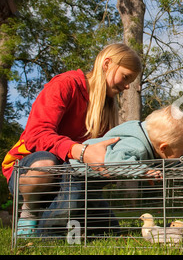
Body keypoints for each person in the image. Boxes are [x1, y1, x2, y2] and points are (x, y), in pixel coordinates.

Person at [2, 43, 142, 235]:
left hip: (70, 176)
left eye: (130, 81)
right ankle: (30, 211)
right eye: (125, 77)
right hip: (30, 167)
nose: (127, 86)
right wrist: (81, 152)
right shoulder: (65, 84)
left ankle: (65, 216)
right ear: (107, 64)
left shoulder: (107, 108)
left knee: (107, 231)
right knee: (45, 165)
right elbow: (36, 134)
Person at [69, 104, 183, 166]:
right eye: (182, 150)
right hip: (76, 173)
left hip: (91, 181)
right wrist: (144, 171)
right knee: (69, 207)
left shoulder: (147, 139)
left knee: (104, 216)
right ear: (163, 147)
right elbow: (115, 160)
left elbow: (165, 161)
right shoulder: (137, 147)